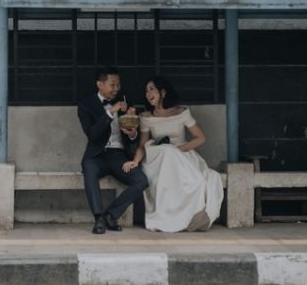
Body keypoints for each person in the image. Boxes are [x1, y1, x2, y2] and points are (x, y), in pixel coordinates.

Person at [132, 76, 224, 232]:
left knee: (200, 182)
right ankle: (167, 219)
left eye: (152, 89)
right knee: (166, 151)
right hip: (159, 160)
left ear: (163, 92)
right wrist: (135, 161)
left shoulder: (181, 112)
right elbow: (142, 146)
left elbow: (200, 138)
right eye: (146, 91)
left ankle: (190, 218)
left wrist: (178, 150)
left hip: (182, 156)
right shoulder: (146, 117)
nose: (148, 93)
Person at [77, 66, 149, 234]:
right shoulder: (85, 106)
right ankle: (98, 218)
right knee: (89, 168)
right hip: (97, 155)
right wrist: (110, 112)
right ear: (99, 85)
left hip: (118, 155)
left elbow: (133, 138)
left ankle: (110, 215)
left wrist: (132, 133)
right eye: (112, 84)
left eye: (118, 85)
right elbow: (93, 135)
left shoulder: (126, 104)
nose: (116, 89)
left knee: (141, 181)